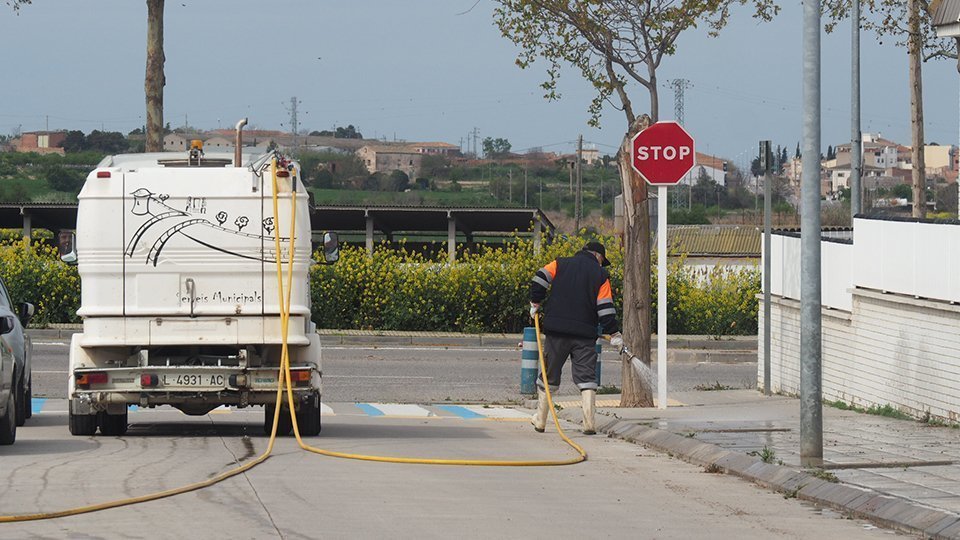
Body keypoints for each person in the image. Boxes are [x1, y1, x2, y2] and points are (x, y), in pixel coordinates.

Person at [529, 241, 622, 435]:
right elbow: (605, 308)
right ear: (598, 256)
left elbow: (539, 278)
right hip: (584, 336)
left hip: (556, 332)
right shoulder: (601, 275)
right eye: (602, 261)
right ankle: (589, 424)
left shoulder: (560, 263)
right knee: (587, 378)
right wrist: (614, 333)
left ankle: (540, 421)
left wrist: (535, 302)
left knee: (549, 375)